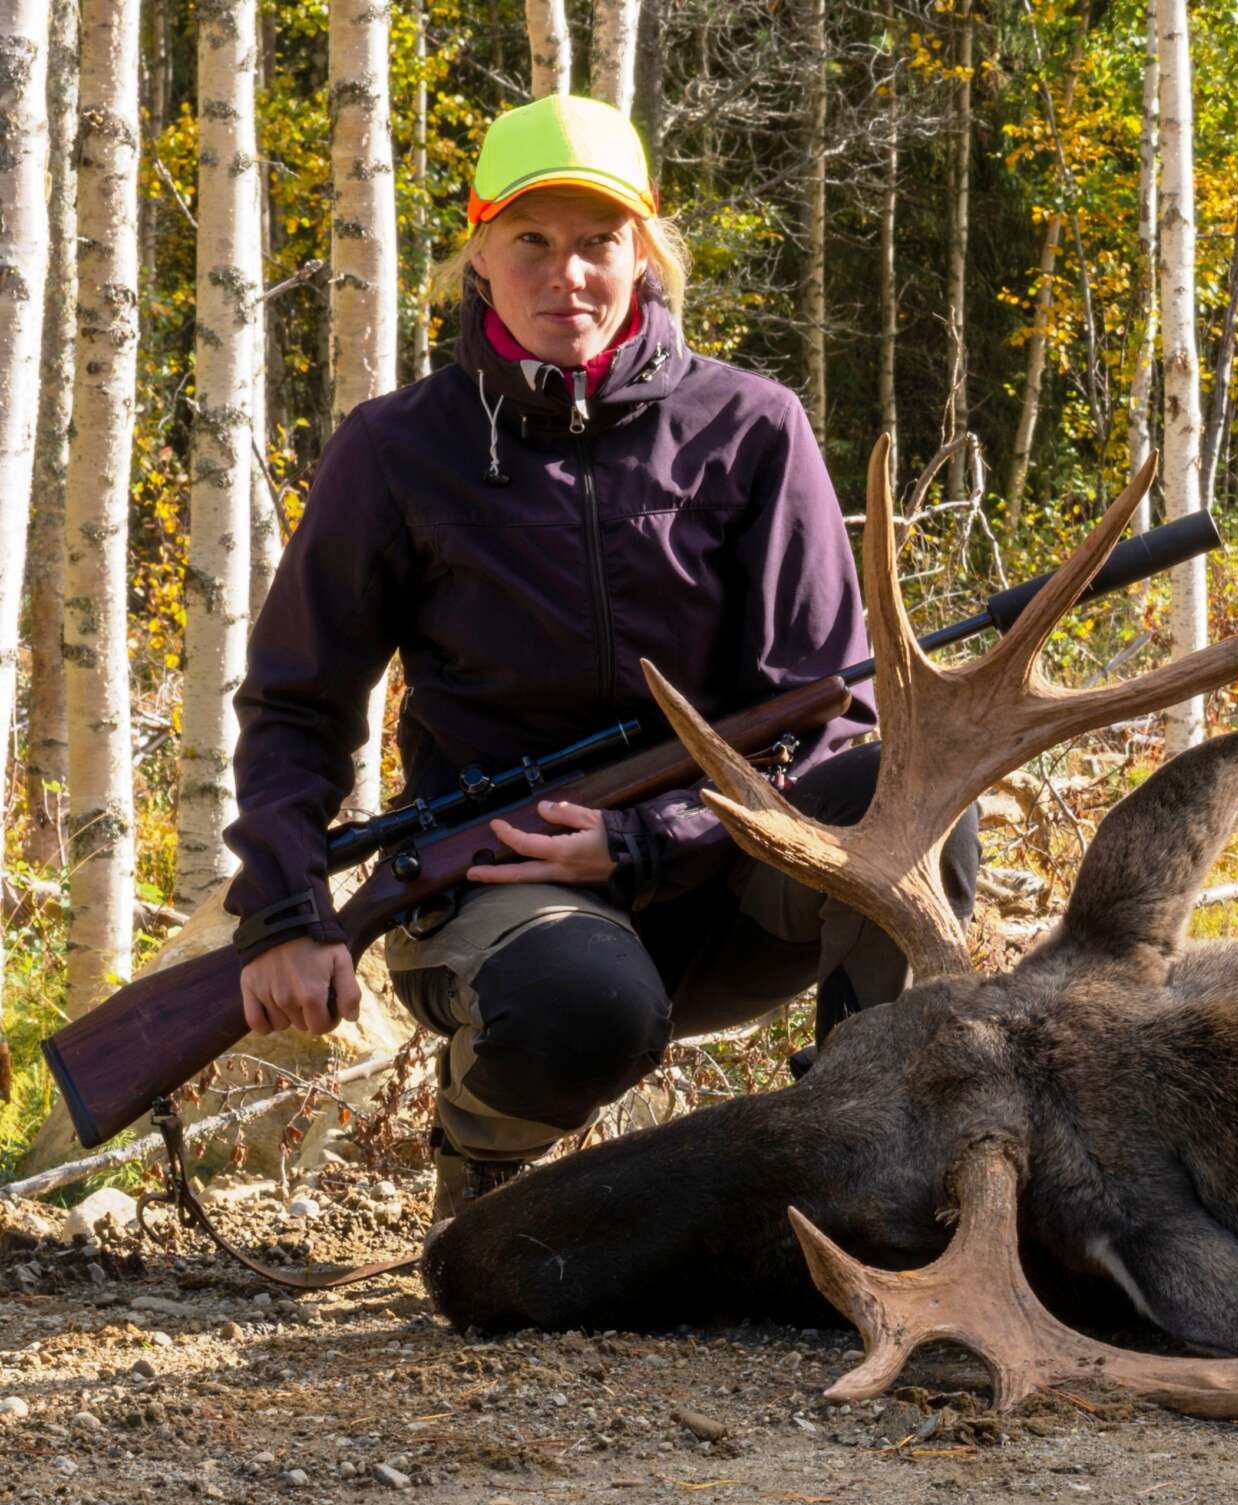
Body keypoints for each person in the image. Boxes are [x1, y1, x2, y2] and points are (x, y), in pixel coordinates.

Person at [223, 93, 975, 1220]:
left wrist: (645, 840)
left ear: (644, 254)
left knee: (914, 791)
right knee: (582, 1007)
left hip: (724, 879)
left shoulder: (751, 425)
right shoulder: (394, 450)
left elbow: (825, 720)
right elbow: (295, 706)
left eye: (596, 242)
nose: (564, 274)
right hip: (502, 896)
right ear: (477, 254)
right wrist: (284, 912)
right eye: (531, 240)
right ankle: (479, 1172)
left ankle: (868, 1166)